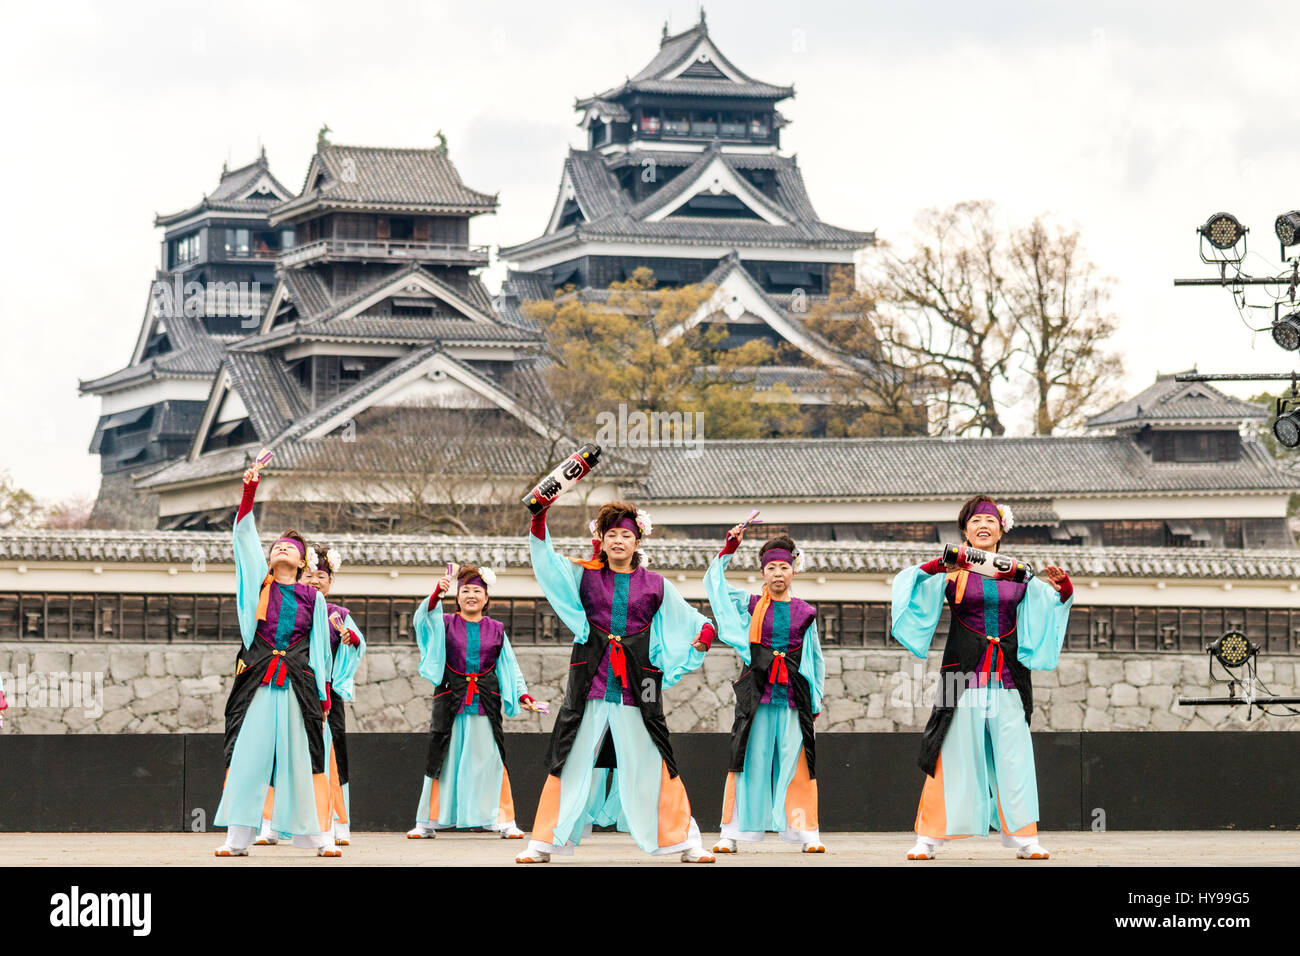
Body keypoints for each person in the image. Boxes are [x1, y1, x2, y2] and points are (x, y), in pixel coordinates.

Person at [515, 501, 718, 863]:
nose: (619, 541)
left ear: (639, 540)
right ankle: (544, 843)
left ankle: (686, 841)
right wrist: (539, 518)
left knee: (655, 756)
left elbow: (687, 617)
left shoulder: (656, 584)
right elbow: (548, 566)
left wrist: (703, 631)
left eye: (627, 535)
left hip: (642, 683)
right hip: (590, 678)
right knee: (571, 758)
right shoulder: (584, 576)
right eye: (612, 535)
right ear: (602, 540)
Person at [891, 495, 1072, 860]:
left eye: (990, 521)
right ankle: (928, 838)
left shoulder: (1020, 572)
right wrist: (936, 566)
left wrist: (1064, 591)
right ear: (965, 531)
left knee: (1014, 757)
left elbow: (1046, 606)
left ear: (1001, 529)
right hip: (961, 676)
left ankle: (1024, 839)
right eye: (975, 522)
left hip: (1008, 678)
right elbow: (911, 585)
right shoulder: (955, 569)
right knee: (948, 752)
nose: (983, 526)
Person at [214, 468, 339, 857]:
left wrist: (322, 693)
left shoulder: (313, 599)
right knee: (248, 755)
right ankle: (238, 838)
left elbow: (319, 649)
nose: (282, 548)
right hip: (258, 681)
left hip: (297, 686)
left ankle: (313, 836)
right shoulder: (257, 586)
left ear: (304, 563)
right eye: (278, 545)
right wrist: (249, 491)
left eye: (291, 547)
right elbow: (244, 541)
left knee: (299, 758)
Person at [704, 527, 825, 853]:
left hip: (794, 695)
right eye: (771, 567)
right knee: (746, 760)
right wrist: (729, 548)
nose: (778, 573)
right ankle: (732, 831)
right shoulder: (749, 603)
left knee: (797, 762)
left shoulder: (806, 612)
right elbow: (712, 584)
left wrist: (817, 695)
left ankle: (806, 832)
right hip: (757, 692)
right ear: (762, 572)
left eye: (784, 567)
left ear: (794, 569)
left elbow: (814, 657)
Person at [407, 563, 539, 839]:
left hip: (485, 702)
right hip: (450, 699)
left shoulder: (496, 629)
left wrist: (522, 694)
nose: (471, 595)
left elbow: (508, 666)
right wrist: (435, 595)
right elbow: (422, 621)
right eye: (465, 590)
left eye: (477, 591)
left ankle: (502, 819)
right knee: (443, 759)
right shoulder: (444, 622)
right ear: (457, 596)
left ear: (487, 598)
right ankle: (428, 821)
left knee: (490, 760)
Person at [257, 545, 365, 847]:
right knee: (280, 752)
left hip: (324, 690)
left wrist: (351, 640)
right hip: (288, 684)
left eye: (322, 576)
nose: (315, 580)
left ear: (331, 581)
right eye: (309, 574)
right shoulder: (282, 603)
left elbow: (356, 646)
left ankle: (337, 823)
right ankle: (272, 822)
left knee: (330, 756)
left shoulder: (338, 615)